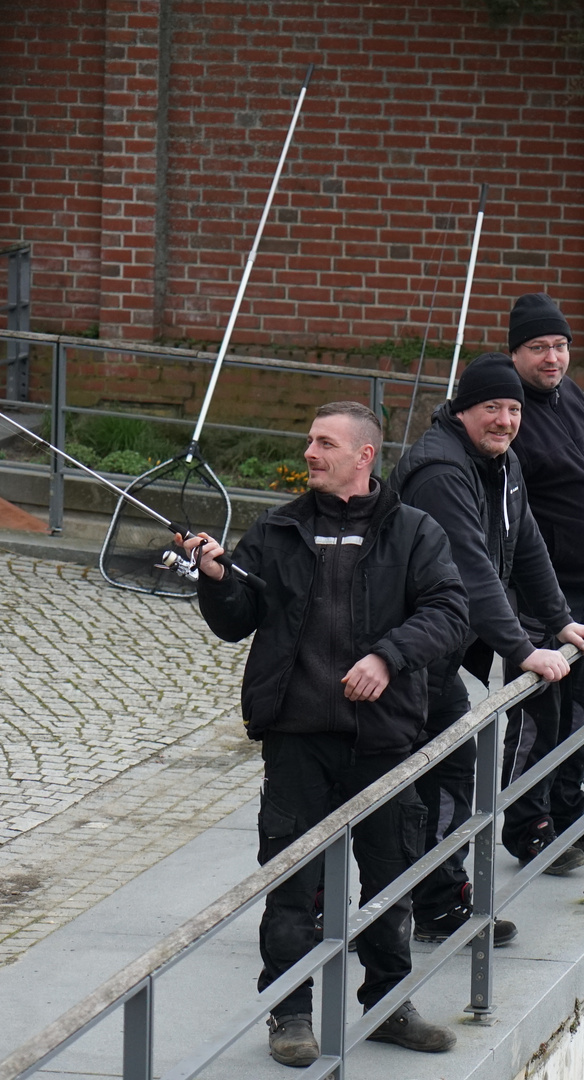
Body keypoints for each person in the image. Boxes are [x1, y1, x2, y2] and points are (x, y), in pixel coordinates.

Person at [184, 401, 468, 1067]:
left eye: (324, 443)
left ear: (363, 456)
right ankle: (289, 1013)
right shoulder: (278, 530)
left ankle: (389, 1002)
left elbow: (449, 612)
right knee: (290, 882)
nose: (309, 452)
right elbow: (237, 618)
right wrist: (216, 577)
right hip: (296, 739)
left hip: (382, 740)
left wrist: (385, 657)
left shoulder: (414, 532)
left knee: (389, 877)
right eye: (309, 440)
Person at [389, 353, 584, 942]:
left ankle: (437, 903)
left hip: (440, 648)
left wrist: (558, 622)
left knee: (448, 771)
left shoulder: (501, 461)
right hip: (406, 650)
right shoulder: (440, 472)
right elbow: (471, 568)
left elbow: (525, 540)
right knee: (412, 780)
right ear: (463, 409)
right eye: (492, 408)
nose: (506, 420)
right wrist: (522, 648)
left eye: (513, 409)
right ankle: (393, 908)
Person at [504, 292, 584, 861]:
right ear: (515, 354)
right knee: (540, 713)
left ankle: (569, 808)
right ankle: (527, 824)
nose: (552, 358)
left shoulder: (569, 396)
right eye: (537, 348)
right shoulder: (509, 412)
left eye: (559, 346)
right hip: (544, 593)